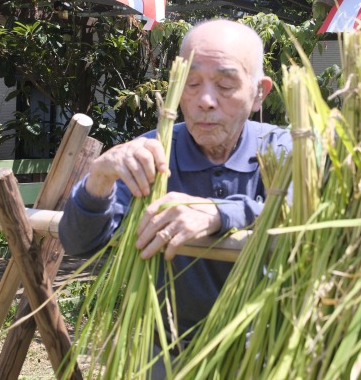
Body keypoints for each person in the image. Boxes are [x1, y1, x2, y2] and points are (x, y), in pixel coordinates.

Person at [58, 19, 292, 348]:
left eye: (225, 85)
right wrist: (99, 180)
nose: (205, 100)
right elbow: (78, 243)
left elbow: (302, 213)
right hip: (169, 352)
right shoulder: (152, 153)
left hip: (267, 351)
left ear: (258, 93)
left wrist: (219, 213)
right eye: (192, 83)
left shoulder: (282, 149)